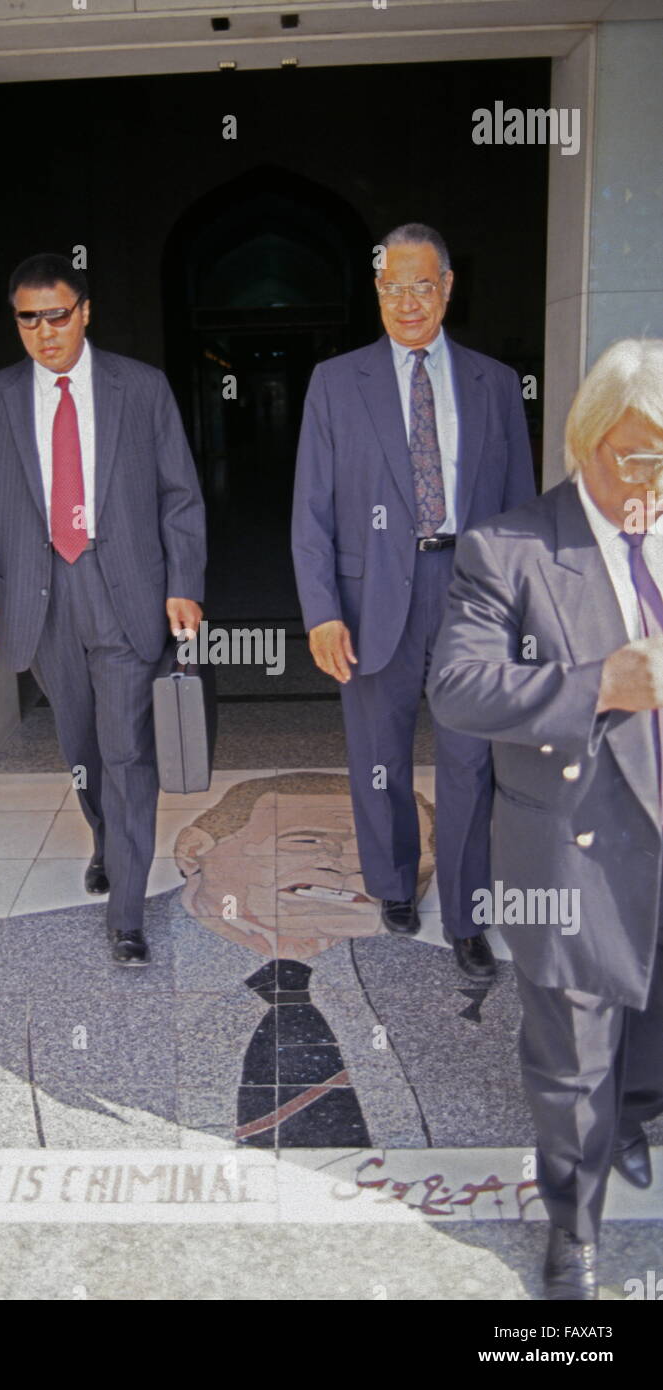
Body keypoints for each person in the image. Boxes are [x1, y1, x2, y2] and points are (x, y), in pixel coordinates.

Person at [427, 337, 663, 1299]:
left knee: (644, 1027)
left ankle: (633, 1121)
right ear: (586, 441)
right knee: (570, 1056)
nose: (654, 477)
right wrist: (595, 682)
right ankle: (573, 1226)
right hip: (570, 849)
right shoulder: (508, 549)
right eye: (638, 454)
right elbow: (457, 688)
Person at [0, 252, 206, 965]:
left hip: (123, 588)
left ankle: (126, 909)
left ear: (84, 312)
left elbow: (178, 495)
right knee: (83, 747)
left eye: (57, 315)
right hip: (41, 598)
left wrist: (184, 583)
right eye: (28, 319)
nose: (43, 331)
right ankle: (103, 836)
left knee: (127, 749)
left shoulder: (140, 389)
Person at [292, 223, 535, 979]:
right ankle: (393, 885)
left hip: (471, 598)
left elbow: (521, 509)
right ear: (376, 289)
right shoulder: (336, 383)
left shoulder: (494, 384)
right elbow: (311, 510)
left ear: (447, 288)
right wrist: (321, 611)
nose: (407, 302)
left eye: (421, 285)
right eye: (392, 286)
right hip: (371, 603)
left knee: (470, 765)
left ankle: (466, 916)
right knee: (378, 758)